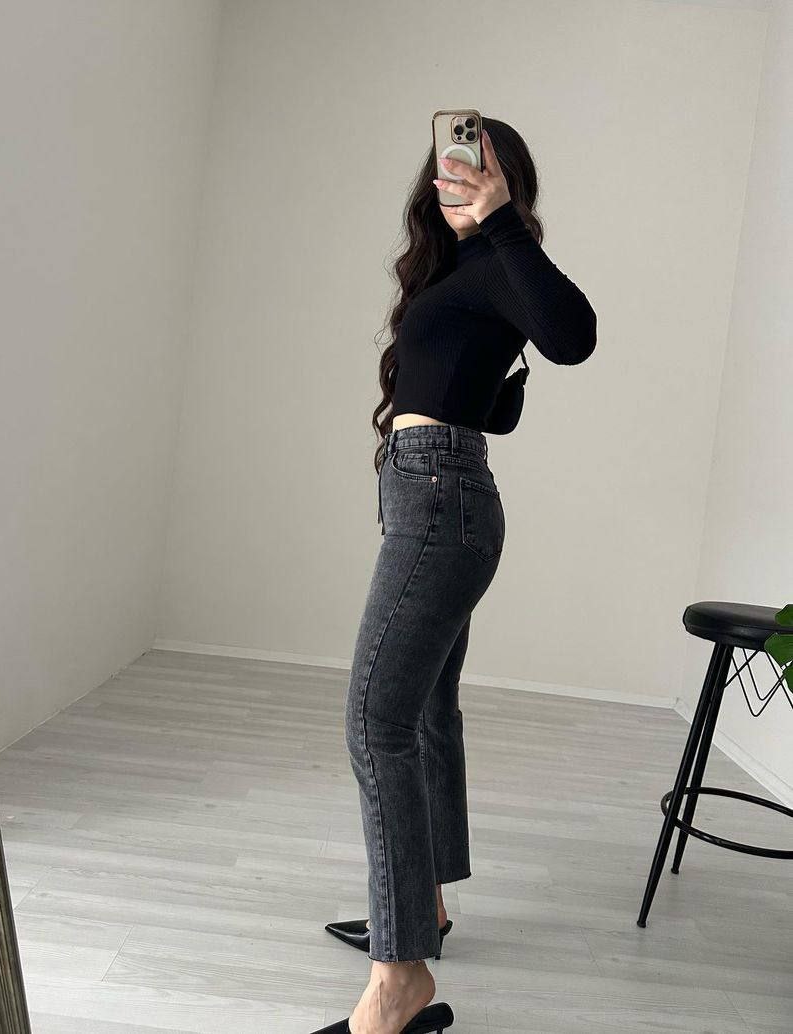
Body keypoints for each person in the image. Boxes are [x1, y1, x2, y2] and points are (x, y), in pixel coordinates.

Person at [312, 119, 597, 1034]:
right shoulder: (455, 273)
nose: (461, 179)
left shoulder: (505, 261)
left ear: (509, 183)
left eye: (481, 169)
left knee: (376, 721)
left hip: (442, 497)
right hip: (427, 494)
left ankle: (399, 981)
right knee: (426, 711)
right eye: (451, 167)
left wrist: (504, 222)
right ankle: (424, 907)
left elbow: (575, 337)